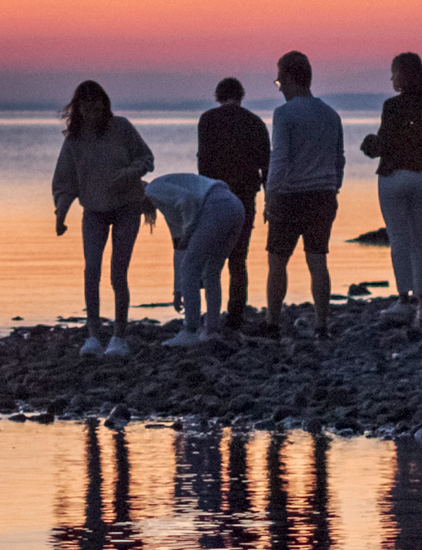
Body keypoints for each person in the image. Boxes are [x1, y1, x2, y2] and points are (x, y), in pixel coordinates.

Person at [53, 80, 155, 358]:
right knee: (92, 271)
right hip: (94, 212)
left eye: (96, 108)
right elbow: (65, 181)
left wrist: (131, 173)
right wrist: (61, 213)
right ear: (79, 109)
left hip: (127, 207)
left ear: (104, 106)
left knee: (118, 273)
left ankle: (119, 337)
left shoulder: (121, 127)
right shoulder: (74, 139)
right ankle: (93, 337)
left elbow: (146, 158)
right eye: (86, 109)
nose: (91, 114)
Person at [263, 51, 345, 339]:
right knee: (317, 260)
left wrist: (269, 195)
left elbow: (280, 158)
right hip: (322, 195)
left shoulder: (284, 114)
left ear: (290, 78)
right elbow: (339, 159)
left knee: (277, 261)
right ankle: (322, 324)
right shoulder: (330, 114)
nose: (280, 88)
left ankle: (273, 323)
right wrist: (334, 188)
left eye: (279, 81)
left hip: (290, 196)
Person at [360, 52, 422, 327]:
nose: (390, 77)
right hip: (419, 179)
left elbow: (384, 144)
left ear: (401, 76)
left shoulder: (392, 107)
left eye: (393, 72)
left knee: (398, 240)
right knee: (418, 241)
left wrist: (369, 145)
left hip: (393, 178)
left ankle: (404, 300)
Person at [197, 77, 271, 329]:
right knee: (238, 259)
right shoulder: (255, 122)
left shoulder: (207, 120)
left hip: (215, 195)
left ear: (218, 95)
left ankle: (211, 314)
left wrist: (200, 198)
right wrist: (269, 200)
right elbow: (266, 167)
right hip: (245, 196)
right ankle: (236, 315)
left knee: (211, 258)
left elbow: (203, 163)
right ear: (241, 95)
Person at [143, 173, 246, 347]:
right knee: (212, 271)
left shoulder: (152, 189)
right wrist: (177, 290)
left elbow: (187, 199)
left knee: (191, 269)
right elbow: (179, 247)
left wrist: (190, 231)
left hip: (215, 206)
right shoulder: (165, 202)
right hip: (235, 206)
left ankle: (190, 331)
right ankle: (211, 330)